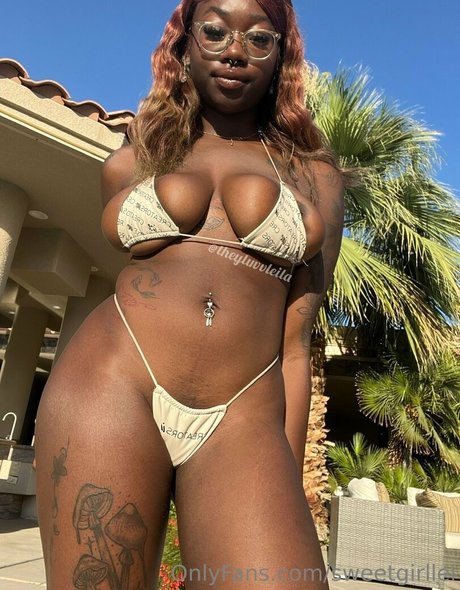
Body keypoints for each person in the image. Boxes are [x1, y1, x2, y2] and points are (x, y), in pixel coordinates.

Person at [36, 0, 344, 588]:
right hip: (112, 383)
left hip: (245, 412)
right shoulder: (135, 160)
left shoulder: (316, 177)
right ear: (183, 46)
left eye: (259, 38)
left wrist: (288, 477)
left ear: (282, 57)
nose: (235, 51)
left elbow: (296, 342)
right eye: (215, 31)